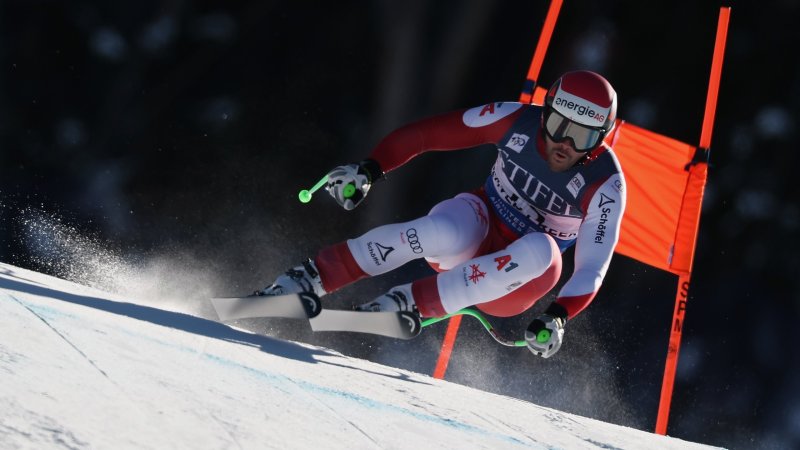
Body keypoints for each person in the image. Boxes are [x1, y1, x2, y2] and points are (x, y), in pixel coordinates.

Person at [258, 70, 626, 358]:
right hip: (476, 231)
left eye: (583, 137)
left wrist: (558, 316)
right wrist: (369, 169)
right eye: (559, 126)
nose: (564, 144)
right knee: (445, 229)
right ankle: (307, 279)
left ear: (602, 139)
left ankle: (408, 302)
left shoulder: (606, 184)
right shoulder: (515, 119)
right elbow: (426, 134)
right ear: (545, 112)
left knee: (545, 251)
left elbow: (592, 267)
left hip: (513, 283)